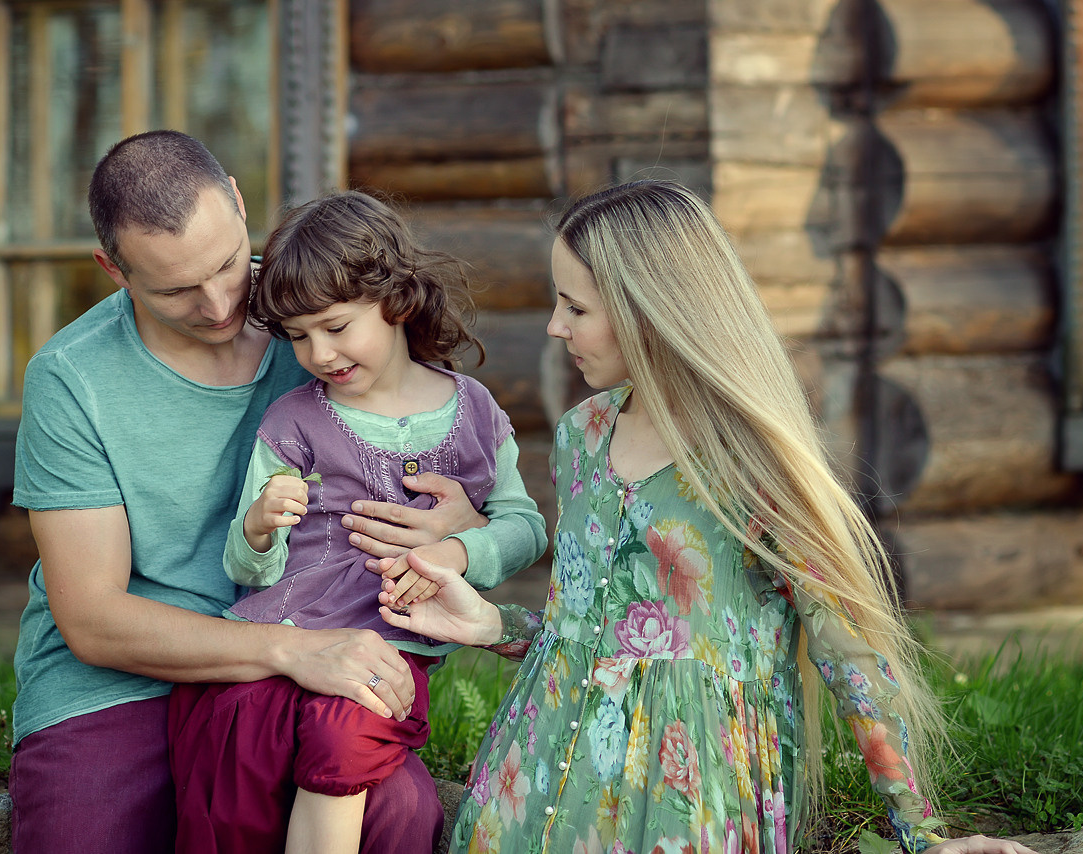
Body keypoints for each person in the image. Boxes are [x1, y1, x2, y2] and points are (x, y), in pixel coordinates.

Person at [378, 180, 1039, 854]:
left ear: (650, 309)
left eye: (576, 306)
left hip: (685, 804)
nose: (554, 325)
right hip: (535, 788)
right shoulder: (582, 435)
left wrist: (923, 835)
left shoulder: (750, 463)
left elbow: (852, 657)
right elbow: (598, 631)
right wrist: (491, 624)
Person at [9, 130, 497, 854]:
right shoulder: (72, 379)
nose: (218, 305)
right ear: (113, 270)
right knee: (84, 833)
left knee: (396, 814)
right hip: (124, 684)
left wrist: (460, 524)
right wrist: (285, 652)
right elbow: (93, 620)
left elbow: (453, 454)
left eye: (229, 264)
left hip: (312, 656)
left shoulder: (324, 316)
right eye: (176, 288)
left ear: (239, 204)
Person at [167, 190, 548, 854]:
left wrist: (460, 550)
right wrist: (260, 527)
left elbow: (524, 526)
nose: (317, 353)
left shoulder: (474, 413)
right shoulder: (294, 419)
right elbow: (246, 567)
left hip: (386, 647)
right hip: (280, 634)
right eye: (297, 336)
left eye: (335, 327)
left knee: (347, 736)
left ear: (396, 300)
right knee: (238, 751)